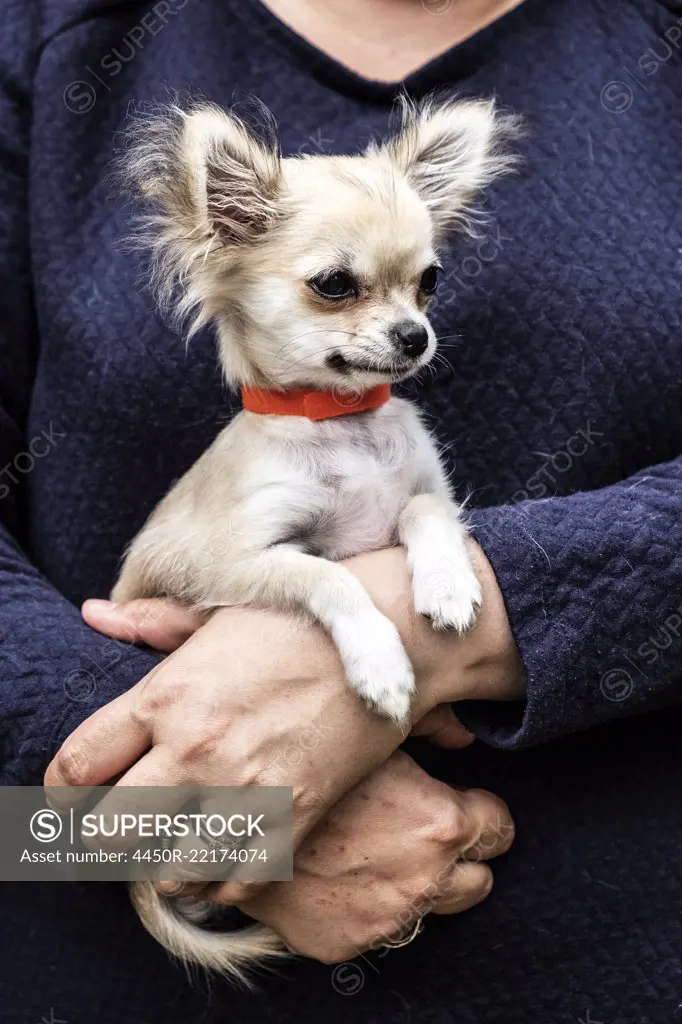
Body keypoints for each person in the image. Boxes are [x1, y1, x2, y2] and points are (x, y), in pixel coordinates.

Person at [0, 0, 680, 1020]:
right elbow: (44, 821)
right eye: (335, 288)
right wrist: (228, 815)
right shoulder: (46, 38)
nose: (405, 328)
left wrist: (463, 617)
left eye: (423, 286)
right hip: (94, 962)